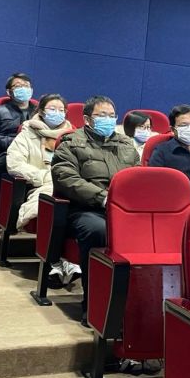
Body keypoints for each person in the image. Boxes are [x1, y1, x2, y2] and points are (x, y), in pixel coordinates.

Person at [51, 95, 139, 322]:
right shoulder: (71, 142)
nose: (108, 119)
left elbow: (138, 177)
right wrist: (102, 197)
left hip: (124, 210)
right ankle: (94, 305)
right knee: (99, 230)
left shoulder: (126, 144)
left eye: (112, 116)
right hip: (85, 209)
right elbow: (66, 178)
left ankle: (136, 308)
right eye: (102, 115)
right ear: (87, 119)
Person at [6, 94, 79, 283]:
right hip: (38, 184)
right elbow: (14, 164)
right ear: (41, 111)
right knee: (54, 202)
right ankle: (54, 261)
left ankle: (67, 260)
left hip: (69, 185)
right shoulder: (27, 133)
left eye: (61, 110)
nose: (57, 113)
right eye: (52, 109)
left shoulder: (74, 137)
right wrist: (45, 177)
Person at [0, 72, 36, 233]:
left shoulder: (40, 112)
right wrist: (14, 143)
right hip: (8, 152)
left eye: (26, 85)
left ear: (31, 90)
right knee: (5, 164)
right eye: (18, 86)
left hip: (36, 153)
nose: (23, 89)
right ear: (9, 91)